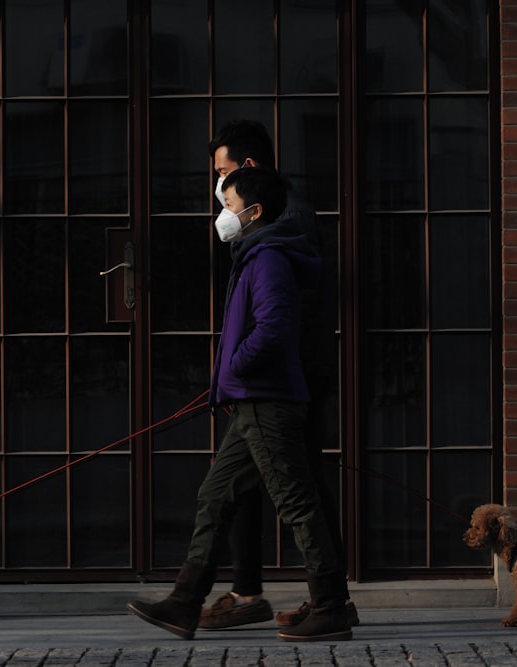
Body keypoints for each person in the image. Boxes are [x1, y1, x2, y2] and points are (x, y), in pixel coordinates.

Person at [127, 166, 354, 642]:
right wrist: (230, 381)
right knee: (216, 495)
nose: (223, 215)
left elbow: (273, 328)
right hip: (253, 399)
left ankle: (332, 605)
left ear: (254, 212)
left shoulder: (268, 256)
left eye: (229, 206)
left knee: (295, 502)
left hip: (267, 401)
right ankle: (185, 603)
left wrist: (233, 371)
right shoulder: (254, 253)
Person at [198, 120, 356, 631]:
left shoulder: (279, 224)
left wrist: (236, 368)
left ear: (246, 171)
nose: (218, 189)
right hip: (268, 381)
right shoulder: (272, 221)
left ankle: (329, 598)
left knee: (298, 490)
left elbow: (280, 318)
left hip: (284, 382)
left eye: (223, 175)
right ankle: (256, 592)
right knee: (246, 486)